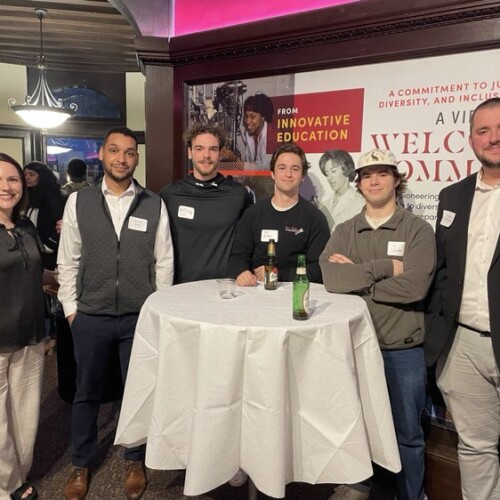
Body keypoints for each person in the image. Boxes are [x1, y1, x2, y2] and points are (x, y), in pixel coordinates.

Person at [57, 127, 174, 500]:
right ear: (103, 155)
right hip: (91, 314)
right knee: (86, 392)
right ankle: (81, 461)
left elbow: (165, 264)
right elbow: (68, 261)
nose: (122, 158)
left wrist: (158, 312)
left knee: (137, 392)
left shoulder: (154, 203)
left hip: (139, 316)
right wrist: (72, 310)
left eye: (129, 152)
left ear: (136, 159)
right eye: (114, 151)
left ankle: (134, 458)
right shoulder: (78, 203)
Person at [319, 148, 436, 500]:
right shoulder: (345, 229)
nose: (374, 181)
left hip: (401, 350)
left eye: (383, 173)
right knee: (355, 428)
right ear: (358, 184)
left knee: (407, 435)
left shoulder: (417, 230)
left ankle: (411, 495)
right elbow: (332, 279)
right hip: (352, 346)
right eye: (368, 175)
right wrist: (385, 268)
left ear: (396, 180)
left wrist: (356, 278)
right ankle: (360, 487)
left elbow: (415, 286)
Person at [425, 97, 500, 500]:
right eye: (484, 131)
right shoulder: (451, 196)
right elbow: (443, 271)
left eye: (499, 129)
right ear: (471, 139)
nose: (493, 138)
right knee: (475, 448)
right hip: (463, 344)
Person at [0, 153, 47, 500]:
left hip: (31, 335)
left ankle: (19, 473)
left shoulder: (27, 226)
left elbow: (36, 272)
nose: (6, 187)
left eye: (13, 179)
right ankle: (7, 486)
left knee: (25, 413)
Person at [159, 123, 253, 284]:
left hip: (225, 289)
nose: (206, 155)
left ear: (220, 153)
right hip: (182, 288)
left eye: (213, 149)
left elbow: (249, 240)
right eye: (199, 148)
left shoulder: (238, 194)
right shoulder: (170, 194)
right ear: (190, 152)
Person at [229, 142, 329, 285]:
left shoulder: (315, 218)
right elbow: (237, 257)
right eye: (282, 168)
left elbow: (318, 269)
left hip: (295, 294)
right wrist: (241, 272)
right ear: (272, 173)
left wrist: (276, 274)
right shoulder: (253, 214)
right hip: (256, 294)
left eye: (295, 169)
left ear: (303, 176)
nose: (288, 174)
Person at [24, 161, 66, 271]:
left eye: (31, 174)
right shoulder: (31, 197)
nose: (27, 178)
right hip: (35, 253)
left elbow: (62, 225)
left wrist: (48, 246)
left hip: (50, 255)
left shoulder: (53, 198)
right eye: (25, 175)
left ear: (42, 177)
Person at [314, 149, 365, 231]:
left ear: (346, 169)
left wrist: (328, 217)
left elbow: (352, 237)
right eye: (327, 174)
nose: (329, 178)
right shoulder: (325, 204)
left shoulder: (360, 204)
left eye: (333, 171)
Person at [242, 92, 274, 167]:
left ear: (263, 117)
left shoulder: (272, 136)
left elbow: (265, 170)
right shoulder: (248, 134)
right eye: (246, 116)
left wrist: (236, 160)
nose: (247, 121)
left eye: (252, 117)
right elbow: (249, 162)